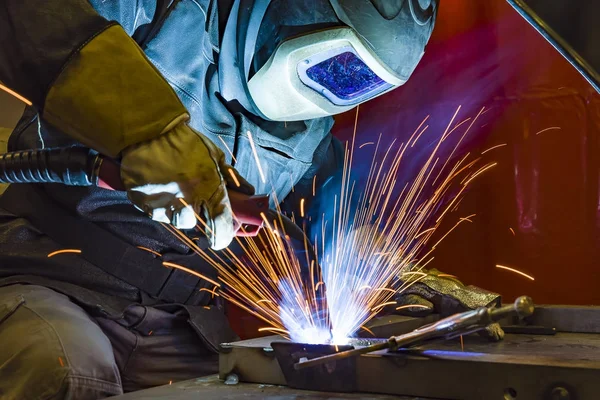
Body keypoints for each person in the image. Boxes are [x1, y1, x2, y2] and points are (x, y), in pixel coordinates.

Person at [0, 1, 500, 399]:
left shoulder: (310, 138)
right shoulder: (170, 11)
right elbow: (35, 16)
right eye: (337, 65)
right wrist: (145, 131)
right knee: (60, 365)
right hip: (55, 279)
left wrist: (397, 281)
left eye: (356, 82)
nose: (331, 90)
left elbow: (345, 234)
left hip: (180, 320)